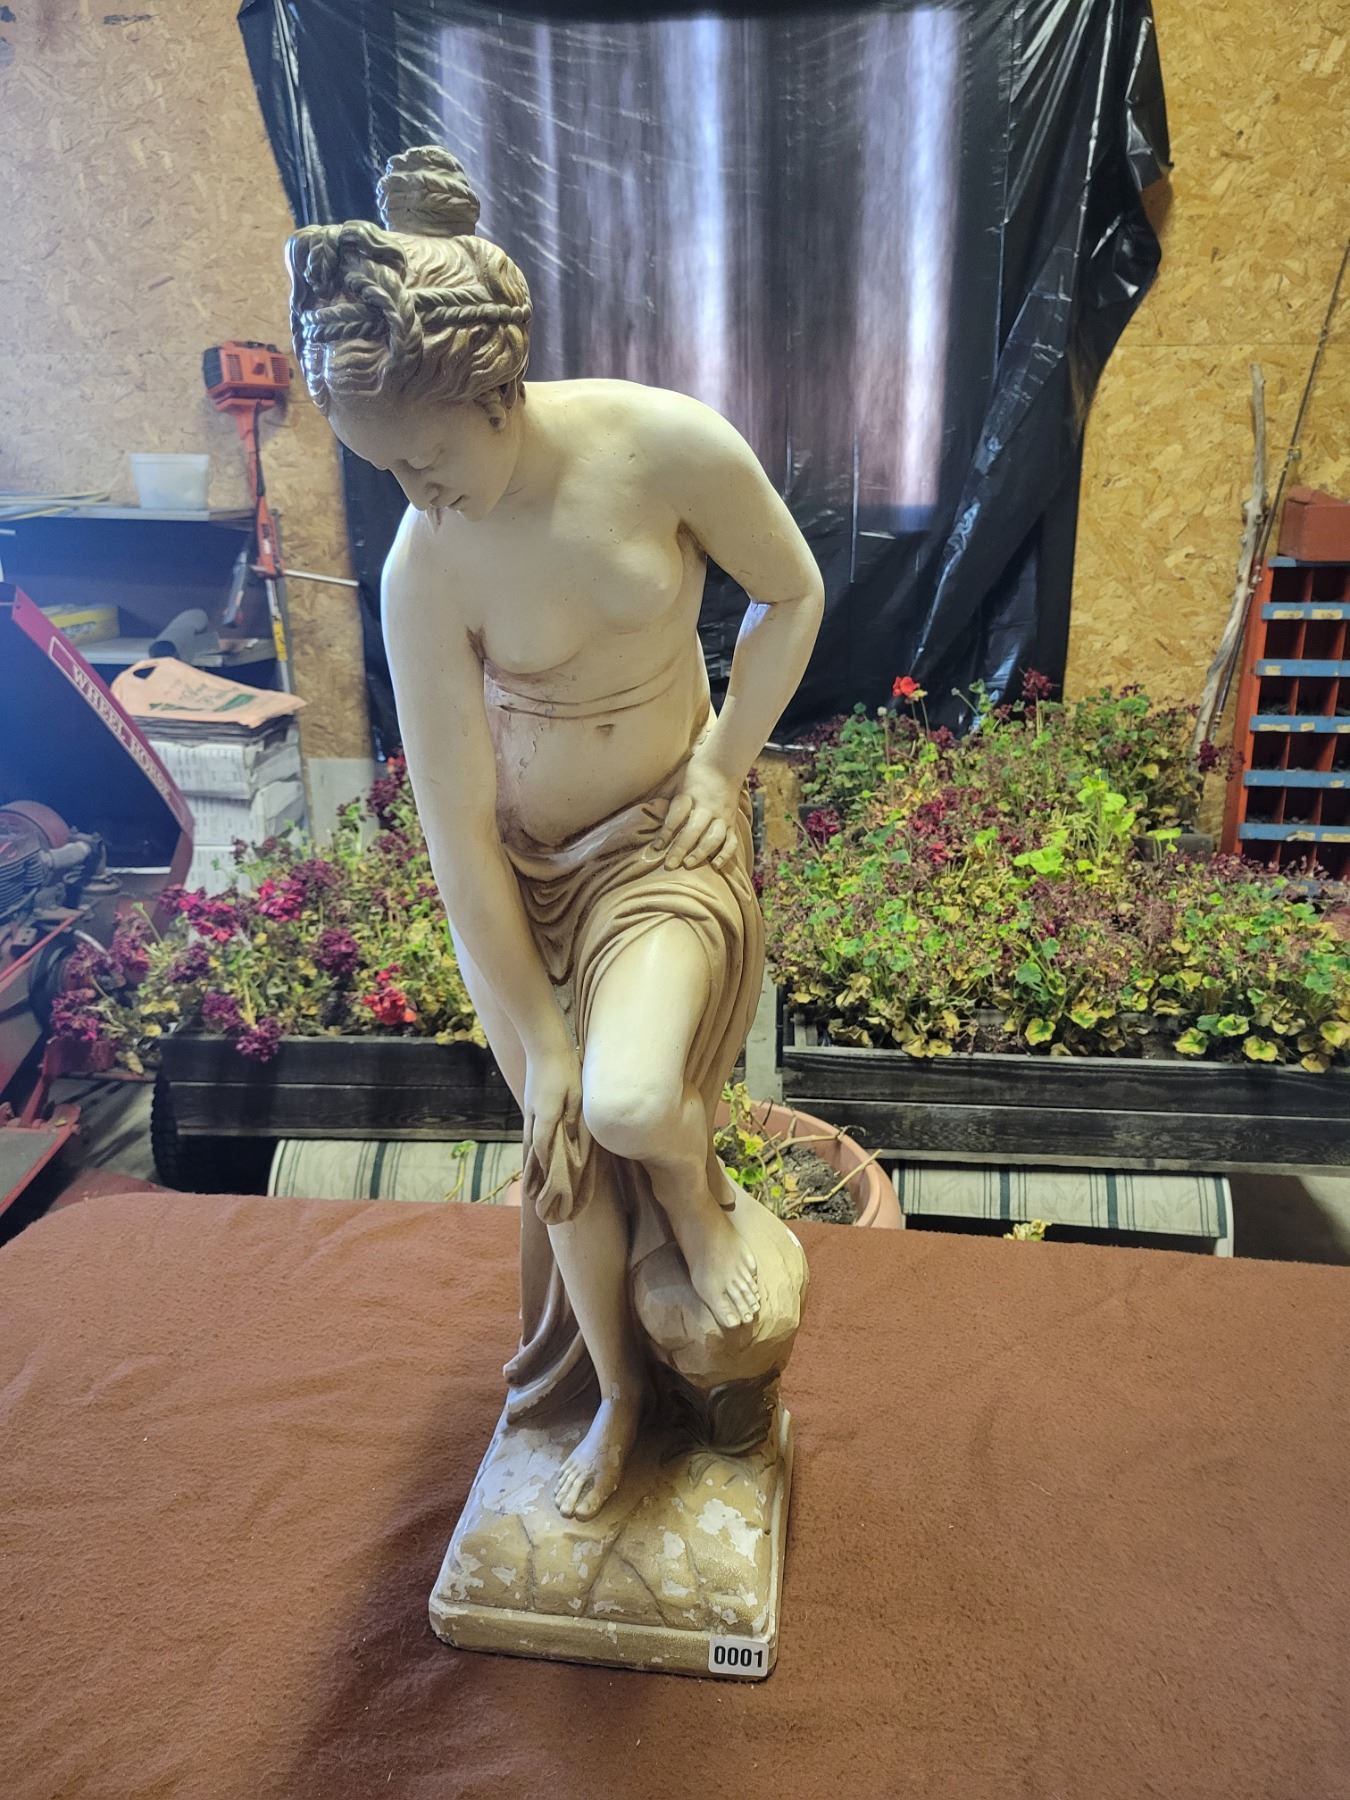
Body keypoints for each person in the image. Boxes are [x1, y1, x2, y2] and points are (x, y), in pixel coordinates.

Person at [287, 146, 822, 1519]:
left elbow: (792, 593)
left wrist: (722, 766)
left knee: (632, 1102)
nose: (418, 494)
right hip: (519, 891)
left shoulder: (661, 445)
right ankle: (620, 1399)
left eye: (428, 458)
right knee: (564, 1144)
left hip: (656, 854)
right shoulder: (425, 566)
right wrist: (539, 1036)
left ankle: (699, 1212)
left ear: (496, 392)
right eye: (385, 473)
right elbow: (458, 835)